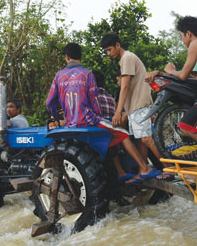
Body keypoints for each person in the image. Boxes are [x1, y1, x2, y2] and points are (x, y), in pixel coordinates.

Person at [46, 43, 163, 184]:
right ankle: (144, 168)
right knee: (122, 133)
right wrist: (98, 116)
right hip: (88, 120)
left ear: (66, 57)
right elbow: (94, 100)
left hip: (71, 122)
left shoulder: (59, 76)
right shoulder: (87, 74)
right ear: (81, 57)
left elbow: (50, 102)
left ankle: (123, 171)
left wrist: (59, 120)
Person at [145, 16, 197, 158]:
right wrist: (161, 73)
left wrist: (170, 70)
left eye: (182, 36)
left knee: (185, 125)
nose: (183, 40)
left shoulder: (195, 43)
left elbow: (183, 75)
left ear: (188, 34)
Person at [101, 33, 164, 170]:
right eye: (106, 51)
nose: (108, 53)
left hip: (139, 104)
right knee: (142, 139)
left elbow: (125, 86)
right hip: (136, 106)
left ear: (118, 45)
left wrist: (118, 113)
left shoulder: (127, 58)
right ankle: (143, 169)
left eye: (109, 49)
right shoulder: (125, 59)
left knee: (146, 139)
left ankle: (170, 168)